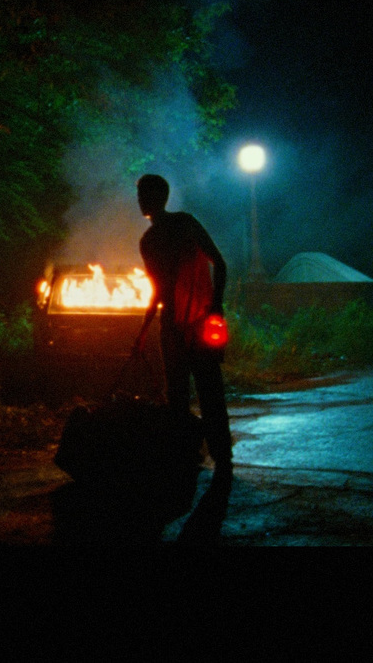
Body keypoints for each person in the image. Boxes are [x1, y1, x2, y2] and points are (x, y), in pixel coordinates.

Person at [131, 174, 233, 530]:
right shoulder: (147, 241)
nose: (141, 200)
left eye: (145, 193)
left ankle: (221, 460)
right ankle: (188, 459)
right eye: (140, 194)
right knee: (179, 397)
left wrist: (215, 308)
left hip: (197, 326)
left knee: (207, 392)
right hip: (171, 329)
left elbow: (219, 264)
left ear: (160, 196)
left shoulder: (184, 224)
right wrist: (145, 329)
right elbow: (159, 290)